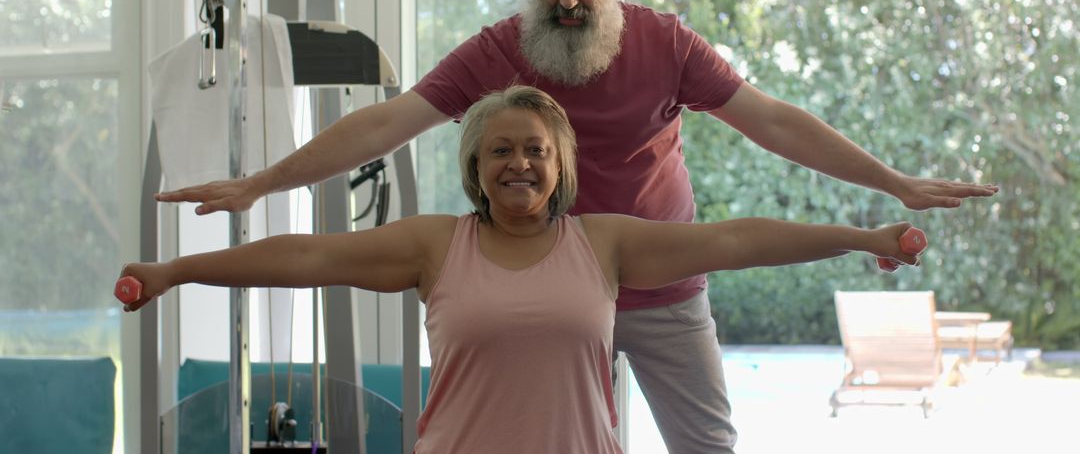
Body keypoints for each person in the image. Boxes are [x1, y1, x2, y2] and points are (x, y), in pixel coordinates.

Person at [156, 0, 998, 453]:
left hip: (660, 283)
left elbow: (771, 123)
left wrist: (891, 186)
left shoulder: (666, 43)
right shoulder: (495, 51)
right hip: (541, 288)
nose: (568, 2)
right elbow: (387, 122)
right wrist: (261, 183)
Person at [128, 86, 926, 454]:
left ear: (560, 165)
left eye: (535, 150)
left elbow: (738, 241)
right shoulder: (434, 246)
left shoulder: (606, 243)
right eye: (500, 150)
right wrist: (177, 271)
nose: (518, 164)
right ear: (476, 165)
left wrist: (863, 237)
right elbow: (305, 256)